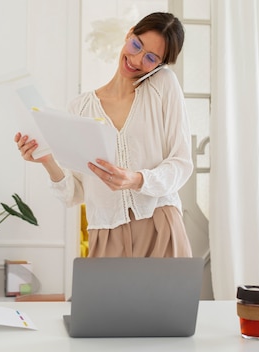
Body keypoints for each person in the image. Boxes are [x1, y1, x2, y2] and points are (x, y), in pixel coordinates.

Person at [14, 12, 193, 258]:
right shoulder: (80, 107)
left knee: (171, 299)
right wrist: (46, 159)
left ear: (160, 65)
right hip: (106, 232)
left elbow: (181, 164)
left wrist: (137, 179)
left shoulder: (163, 85)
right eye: (136, 45)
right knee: (103, 299)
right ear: (129, 34)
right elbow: (73, 193)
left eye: (151, 57)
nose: (137, 59)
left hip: (159, 222)